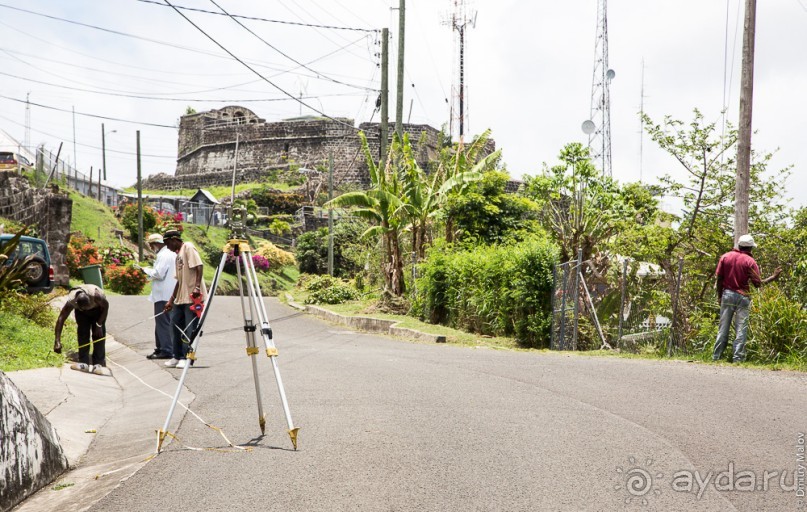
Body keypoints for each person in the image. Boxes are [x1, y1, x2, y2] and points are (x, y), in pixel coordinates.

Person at [713, 234, 782, 362]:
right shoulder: (750, 261)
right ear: (750, 248)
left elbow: (719, 279)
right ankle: (737, 358)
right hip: (743, 297)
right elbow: (758, 284)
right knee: (741, 329)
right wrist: (773, 277)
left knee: (723, 327)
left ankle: (716, 357)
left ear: (738, 245)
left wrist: (719, 296)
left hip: (727, 294)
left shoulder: (725, 257)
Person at [162, 229, 206, 369]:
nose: (167, 247)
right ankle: (177, 356)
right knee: (174, 325)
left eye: (167, 243)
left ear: (174, 239)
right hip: (181, 298)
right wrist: (171, 300)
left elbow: (199, 266)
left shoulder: (188, 246)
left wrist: (197, 287)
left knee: (189, 328)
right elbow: (179, 281)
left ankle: (187, 358)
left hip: (193, 297)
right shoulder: (177, 256)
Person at [54, 284, 109, 375]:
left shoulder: (97, 296)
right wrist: (57, 341)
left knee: (98, 336)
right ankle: (84, 362)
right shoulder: (72, 301)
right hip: (81, 314)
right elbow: (61, 318)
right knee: (83, 333)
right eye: (84, 308)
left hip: (98, 311)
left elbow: (106, 306)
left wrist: (99, 324)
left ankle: (98, 364)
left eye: (87, 307)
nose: (87, 310)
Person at [138, 233, 177, 360]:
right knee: (163, 322)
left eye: (151, 245)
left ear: (156, 244)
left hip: (163, 295)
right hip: (168, 294)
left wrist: (145, 270)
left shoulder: (164, 255)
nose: (150, 247)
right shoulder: (169, 254)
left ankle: (166, 349)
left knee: (163, 323)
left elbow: (159, 274)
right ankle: (161, 348)